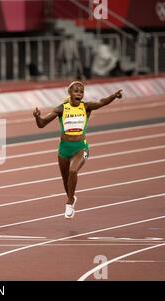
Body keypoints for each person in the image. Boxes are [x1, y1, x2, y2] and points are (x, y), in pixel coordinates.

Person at [32, 81, 122, 219]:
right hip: (64, 149)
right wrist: (37, 117)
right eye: (76, 91)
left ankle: (69, 203)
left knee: (73, 170)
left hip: (80, 147)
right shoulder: (62, 108)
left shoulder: (86, 107)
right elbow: (42, 124)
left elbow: (101, 102)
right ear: (70, 93)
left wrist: (113, 96)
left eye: (81, 91)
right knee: (65, 180)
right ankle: (72, 197)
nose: (79, 93)